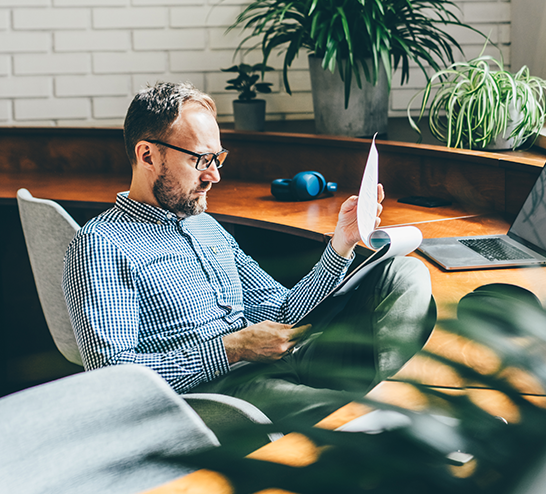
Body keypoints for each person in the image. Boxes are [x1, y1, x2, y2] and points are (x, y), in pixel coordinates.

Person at [63, 82, 435, 426]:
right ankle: (384, 421)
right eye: (200, 160)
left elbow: (282, 310)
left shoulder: (204, 225)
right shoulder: (101, 244)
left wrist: (342, 243)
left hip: (280, 355)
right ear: (147, 155)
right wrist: (233, 348)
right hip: (217, 391)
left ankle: (387, 403)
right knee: (343, 415)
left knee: (405, 274)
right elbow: (113, 380)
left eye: (217, 158)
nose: (215, 176)